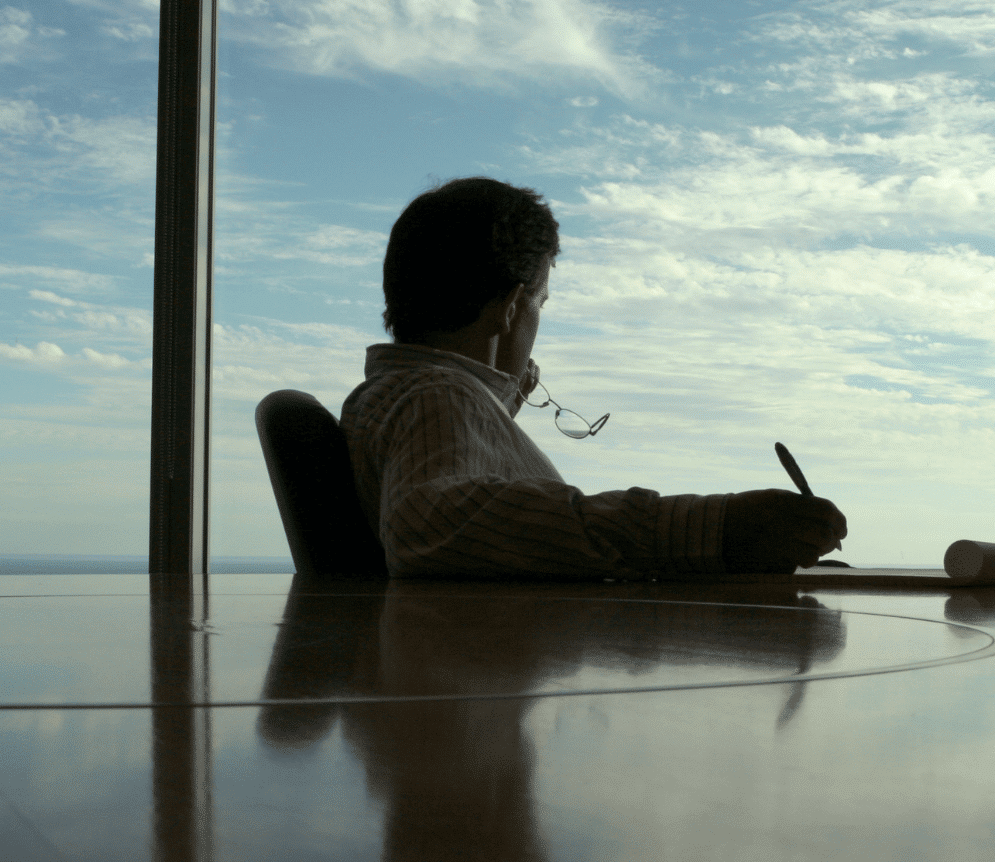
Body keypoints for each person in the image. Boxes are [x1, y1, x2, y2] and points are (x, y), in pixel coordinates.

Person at [340, 176, 847, 579]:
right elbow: (427, 522)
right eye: (539, 303)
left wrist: (500, 403)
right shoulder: (438, 398)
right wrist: (716, 528)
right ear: (511, 308)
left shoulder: (407, 399)